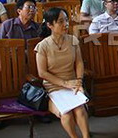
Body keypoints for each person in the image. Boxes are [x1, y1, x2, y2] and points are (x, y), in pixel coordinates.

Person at [36, 8, 90, 138]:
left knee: (79, 109)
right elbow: (42, 73)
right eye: (60, 21)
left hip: (73, 84)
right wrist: (64, 83)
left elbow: (79, 63)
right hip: (54, 87)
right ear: (50, 25)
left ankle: (86, 136)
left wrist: (78, 81)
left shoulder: (73, 40)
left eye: (66, 20)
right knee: (66, 113)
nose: (65, 24)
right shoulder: (42, 46)